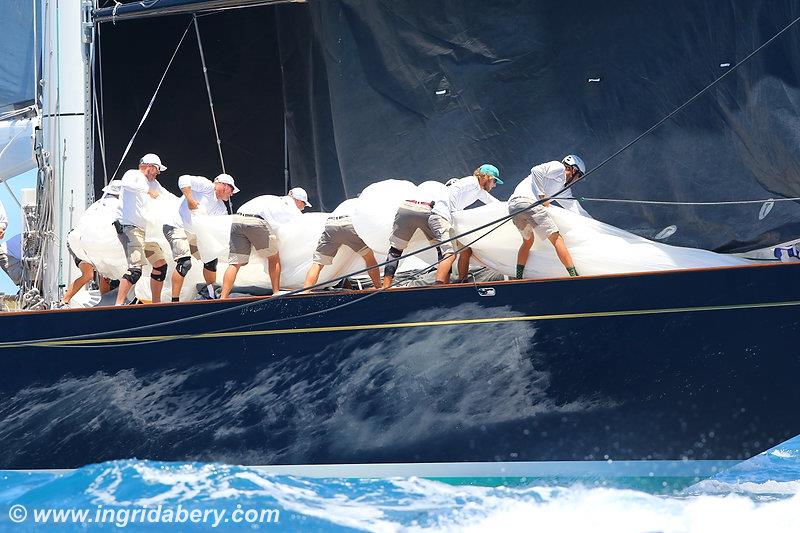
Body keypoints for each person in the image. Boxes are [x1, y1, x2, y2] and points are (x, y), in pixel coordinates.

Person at [382, 164, 502, 287]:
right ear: (486, 177)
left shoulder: (478, 191)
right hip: (433, 214)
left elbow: (493, 202)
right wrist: (454, 211)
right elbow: (456, 190)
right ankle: (440, 285)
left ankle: (385, 286)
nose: (495, 185)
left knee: (396, 250)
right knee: (447, 252)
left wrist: (509, 208)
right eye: (494, 181)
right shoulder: (471, 181)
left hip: (406, 208)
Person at [220, 187, 310, 299]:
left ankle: (223, 297)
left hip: (237, 220)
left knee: (235, 263)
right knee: (274, 257)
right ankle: (276, 292)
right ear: (298, 201)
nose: (303, 208)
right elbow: (304, 226)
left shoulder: (271, 199)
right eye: (304, 205)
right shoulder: (291, 207)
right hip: (256, 222)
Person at [508, 154, 586, 279]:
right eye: (579, 176)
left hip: (514, 207)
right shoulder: (559, 167)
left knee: (528, 241)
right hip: (529, 203)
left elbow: (573, 206)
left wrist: (590, 220)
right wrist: (542, 196)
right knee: (557, 238)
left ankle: (518, 277)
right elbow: (536, 170)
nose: (577, 180)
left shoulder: (563, 189)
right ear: (573, 169)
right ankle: (574, 276)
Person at [164, 173, 237, 301]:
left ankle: (210, 294)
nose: (232, 194)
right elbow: (183, 179)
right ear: (225, 186)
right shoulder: (207, 186)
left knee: (211, 259)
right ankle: (174, 301)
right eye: (232, 190)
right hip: (176, 227)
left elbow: (221, 226)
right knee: (184, 263)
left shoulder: (220, 207)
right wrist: (190, 200)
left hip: (193, 233)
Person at [114, 153, 170, 305]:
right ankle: (118, 305)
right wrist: (147, 190)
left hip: (147, 232)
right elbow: (126, 185)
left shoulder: (155, 184)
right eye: (157, 169)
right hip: (130, 227)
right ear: (150, 166)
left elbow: (167, 196)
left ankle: (156, 304)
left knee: (160, 265)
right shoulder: (133, 174)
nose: (158, 173)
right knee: (135, 270)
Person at [60, 180, 123, 307]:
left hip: (80, 241)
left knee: (103, 270)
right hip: (81, 244)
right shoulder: (116, 206)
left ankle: (104, 300)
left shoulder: (98, 204)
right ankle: (64, 301)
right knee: (89, 275)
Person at [303, 198, 381, 290]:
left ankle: (305, 291)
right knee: (369, 257)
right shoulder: (363, 203)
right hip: (348, 223)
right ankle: (378, 288)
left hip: (330, 225)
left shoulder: (346, 203)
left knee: (318, 263)